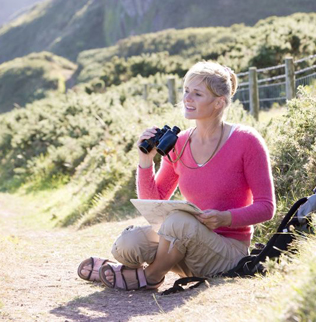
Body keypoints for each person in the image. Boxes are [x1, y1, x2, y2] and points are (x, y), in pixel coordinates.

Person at [77, 61, 275, 291]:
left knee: (179, 222)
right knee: (126, 245)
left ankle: (150, 276)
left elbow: (266, 207)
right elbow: (154, 201)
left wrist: (224, 218)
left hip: (227, 251)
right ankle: (131, 270)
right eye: (186, 91)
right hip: (184, 244)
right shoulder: (180, 143)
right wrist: (145, 161)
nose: (187, 99)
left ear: (219, 102)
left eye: (197, 94)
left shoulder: (247, 141)